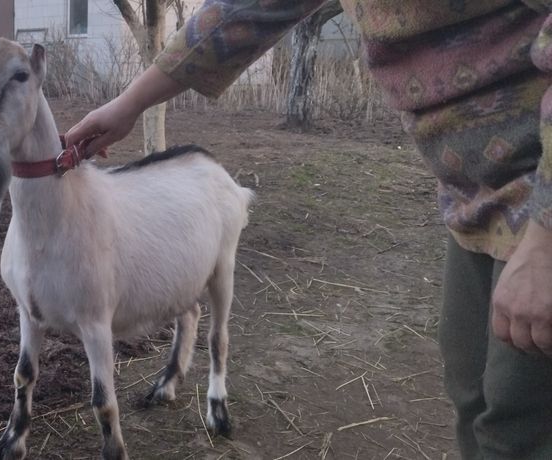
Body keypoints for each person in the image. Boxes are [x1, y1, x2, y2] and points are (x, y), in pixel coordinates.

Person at [64, 1, 552, 458]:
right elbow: (245, 10)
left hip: (538, 200)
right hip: (473, 203)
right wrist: (130, 103)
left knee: (515, 422)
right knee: (472, 394)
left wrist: (546, 239)